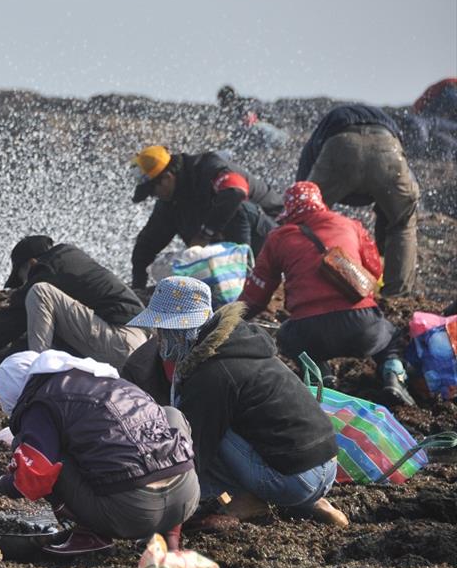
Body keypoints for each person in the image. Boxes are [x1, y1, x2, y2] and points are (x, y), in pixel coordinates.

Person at [127, 277, 349, 527]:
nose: (159, 337)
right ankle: (311, 502)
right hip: (325, 466)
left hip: (293, 479)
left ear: (183, 329)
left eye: (164, 330)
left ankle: (250, 500)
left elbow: (193, 453)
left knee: (190, 429)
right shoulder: (240, 342)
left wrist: (164, 503)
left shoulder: (212, 374)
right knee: (232, 421)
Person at [0, 350, 198, 555]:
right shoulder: (109, 381)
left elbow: (34, 477)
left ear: (15, 394)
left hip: (131, 513)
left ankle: (89, 534)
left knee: (51, 456)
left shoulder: (41, 401)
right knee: (169, 416)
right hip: (187, 499)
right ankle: (171, 537)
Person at [240, 182, 415, 406]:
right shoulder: (349, 224)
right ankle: (393, 376)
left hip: (308, 331)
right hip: (361, 325)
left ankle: (321, 376)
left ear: (290, 210)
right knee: (391, 339)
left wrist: (227, 319)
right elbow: (374, 269)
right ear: (320, 203)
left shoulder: (278, 238)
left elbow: (256, 296)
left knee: (286, 336)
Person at [0, 236, 147, 371]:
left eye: (22, 279)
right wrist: (0, 360)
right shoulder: (71, 263)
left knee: (39, 293)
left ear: (32, 263)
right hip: (141, 349)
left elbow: (11, 321)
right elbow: (51, 333)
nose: (23, 286)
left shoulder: (48, 269)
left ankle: (38, 377)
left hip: (121, 343)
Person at [295, 104, 419, 297]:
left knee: (306, 217)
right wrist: (382, 250)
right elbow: (403, 197)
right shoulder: (390, 127)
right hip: (387, 148)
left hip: (341, 145)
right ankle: (396, 297)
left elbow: (302, 191)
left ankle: (302, 284)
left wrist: (301, 216)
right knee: (402, 222)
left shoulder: (324, 129)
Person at [130, 146, 283, 290]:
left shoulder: (208, 167)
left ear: (167, 178)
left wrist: (204, 235)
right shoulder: (169, 203)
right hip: (237, 242)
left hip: (273, 232)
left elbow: (236, 191)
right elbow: (147, 244)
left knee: (234, 207)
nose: (153, 196)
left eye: (152, 191)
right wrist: (137, 286)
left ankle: (244, 277)